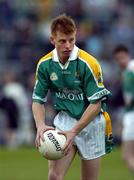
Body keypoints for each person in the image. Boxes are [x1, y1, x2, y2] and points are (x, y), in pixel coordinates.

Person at [32, 14, 113, 180]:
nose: (68, 45)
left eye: (72, 40)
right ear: (52, 39)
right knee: (54, 176)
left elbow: (95, 105)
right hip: (65, 121)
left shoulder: (89, 63)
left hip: (90, 123)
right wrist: (40, 125)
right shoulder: (45, 64)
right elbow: (38, 100)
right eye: (62, 41)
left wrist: (74, 131)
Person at [113, 45, 134, 175]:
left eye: (122, 57)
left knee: (127, 156)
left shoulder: (131, 68)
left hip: (132, 115)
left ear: (128, 55)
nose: (121, 61)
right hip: (129, 114)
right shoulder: (125, 72)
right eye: (118, 58)